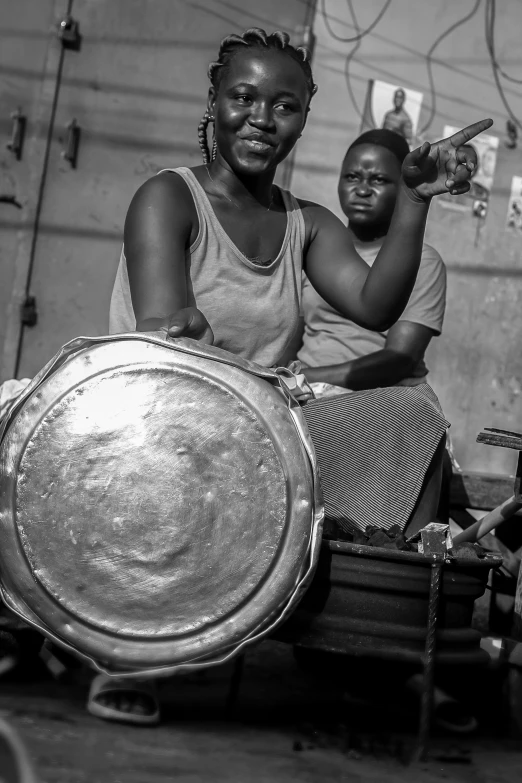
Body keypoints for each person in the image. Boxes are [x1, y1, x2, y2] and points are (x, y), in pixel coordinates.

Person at [74, 29, 488, 724]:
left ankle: (369, 643)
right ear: (214, 102)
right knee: (182, 464)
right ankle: (135, 651)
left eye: (285, 106)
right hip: (162, 417)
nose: (263, 119)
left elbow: (378, 304)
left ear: (302, 117)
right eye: (244, 97)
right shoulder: (167, 198)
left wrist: (415, 200)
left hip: (262, 424)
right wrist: (192, 335)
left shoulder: (306, 223)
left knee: (411, 416)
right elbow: (165, 331)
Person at [298, 129, 446, 395]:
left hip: (373, 401)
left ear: (403, 187)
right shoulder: (317, 248)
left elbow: (400, 360)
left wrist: (305, 378)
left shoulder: (423, 262)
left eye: (378, 179)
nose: (363, 190)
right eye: (352, 177)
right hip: (301, 393)